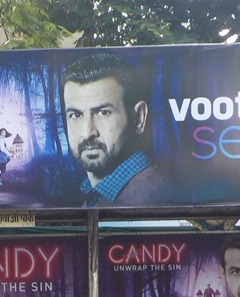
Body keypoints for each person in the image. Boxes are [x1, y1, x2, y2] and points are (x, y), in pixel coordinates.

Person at [61, 52, 175, 207]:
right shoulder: (98, 193)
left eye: (103, 113)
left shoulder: (147, 199)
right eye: (75, 115)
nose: (87, 133)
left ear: (139, 118)